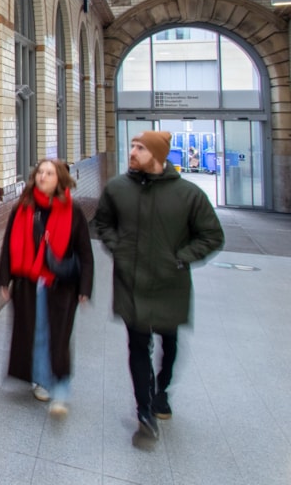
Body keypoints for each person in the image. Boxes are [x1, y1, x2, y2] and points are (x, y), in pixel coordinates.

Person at [92, 130, 223, 439]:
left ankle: (162, 389)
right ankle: (144, 408)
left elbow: (212, 236)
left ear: (158, 155)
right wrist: (119, 248)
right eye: (133, 146)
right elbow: (102, 223)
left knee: (169, 341)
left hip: (170, 283)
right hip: (131, 282)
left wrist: (181, 258)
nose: (133, 151)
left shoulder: (188, 195)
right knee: (138, 345)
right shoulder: (118, 189)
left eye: (141, 148)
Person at [0, 159, 93, 417]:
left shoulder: (74, 212)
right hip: (30, 282)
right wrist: (4, 279)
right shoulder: (23, 208)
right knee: (36, 331)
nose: (43, 176)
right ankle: (41, 379)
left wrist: (85, 286)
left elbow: (85, 252)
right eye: (40, 172)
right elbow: (8, 245)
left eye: (49, 173)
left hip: (61, 285)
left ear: (60, 179)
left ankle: (60, 385)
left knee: (59, 334)